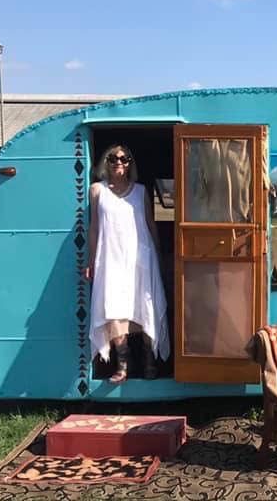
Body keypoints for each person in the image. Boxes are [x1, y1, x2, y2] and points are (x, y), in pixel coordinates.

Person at [84, 144, 169, 383]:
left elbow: (150, 224)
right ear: (105, 162)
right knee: (114, 308)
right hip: (110, 257)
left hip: (139, 257)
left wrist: (159, 256)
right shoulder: (96, 191)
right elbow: (94, 228)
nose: (118, 162)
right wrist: (91, 260)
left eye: (124, 158)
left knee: (145, 306)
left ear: (130, 163)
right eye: (113, 158)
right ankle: (122, 364)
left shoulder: (141, 191)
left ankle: (149, 361)